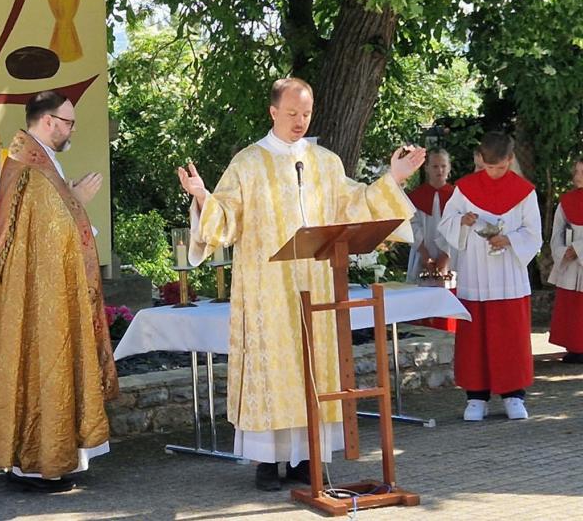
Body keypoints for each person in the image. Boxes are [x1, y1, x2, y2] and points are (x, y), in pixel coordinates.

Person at [177, 78, 424, 491]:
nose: (299, 121)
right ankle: (266, 460)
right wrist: (203, 196)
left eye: (306, 114)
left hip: (319, 284)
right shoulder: (248, 163)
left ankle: (307, 458)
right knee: (275, 368)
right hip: (267, 289)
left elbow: (356, 204)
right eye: (291, 113)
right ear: (273, 112)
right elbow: (225, 219)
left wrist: (392, 178)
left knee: (314, 365)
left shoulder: (326, 162)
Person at [0, 90, 119, 493]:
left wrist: (69, 200)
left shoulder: (38, 161)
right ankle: (37, 463)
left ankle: (43, 459)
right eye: (68, 123)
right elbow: (50, 236)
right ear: (49, 121)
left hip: (44, 288)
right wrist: (78, 201)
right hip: (40, 295)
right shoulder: (31, 167)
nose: (71, 130)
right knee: (41, 362)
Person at [438, 132, 541, 421]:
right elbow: (447, 224)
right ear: (481, 159)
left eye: (500, 167)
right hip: (475, 271)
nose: (494, 173)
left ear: (510, 159)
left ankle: (513, 395)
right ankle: (476, 396)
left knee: (511, 333)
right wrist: (462, 221)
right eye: (489, 166)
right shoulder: (465, 188)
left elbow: (534, 233)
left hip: (508, 273)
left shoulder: (524, 191)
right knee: (475, 333)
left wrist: (509, 240)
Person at [547, 159, 583, 363]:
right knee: (571, 306)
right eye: (576, 171)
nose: (577, 176)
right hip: (570, 262)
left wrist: (578, 249)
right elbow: (557, 233)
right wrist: (562, 252)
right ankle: (574, 347)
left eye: (582, 172)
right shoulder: (566, 201)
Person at [406, 148, 455, 282]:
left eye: (443, 166)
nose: (440, 170)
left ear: (449, 168)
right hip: (422, 251)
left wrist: (446, 255)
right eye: (435, 166)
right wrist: (424, 254)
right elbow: (412, 225)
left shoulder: (457, 197)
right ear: (426, 168)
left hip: (452, 254)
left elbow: (458, 228)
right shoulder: (416, 197)